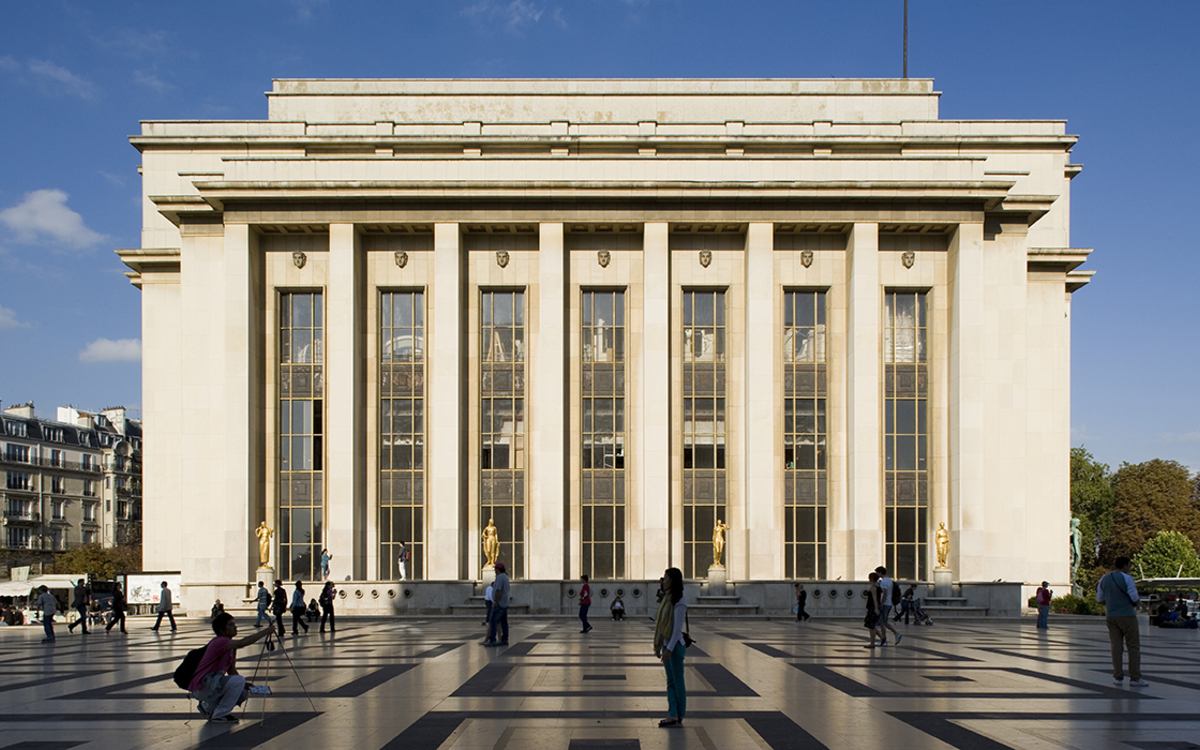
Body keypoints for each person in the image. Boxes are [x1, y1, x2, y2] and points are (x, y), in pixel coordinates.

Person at [189, 612, 274, 723]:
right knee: (239, 681)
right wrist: (265, 632)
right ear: (221, 630)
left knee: (242, 690)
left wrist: (244, 684)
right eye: (230, 625)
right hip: (203, 686)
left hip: (212, 684)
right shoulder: (219, 641)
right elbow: (242, 642)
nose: (235, 627)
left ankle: (208, 707)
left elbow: (231, 669)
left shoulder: (230, 646)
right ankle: (219, 714)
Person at [1097, 556, 1147, 687]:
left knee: (1116, 647)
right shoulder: (1127, 578)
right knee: (1133, 647)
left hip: (1111, 616)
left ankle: (1118, 676)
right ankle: (1135, 677)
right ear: (1125, 566)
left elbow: (1100, 599)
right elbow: (1134, 596)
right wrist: (1136, 603)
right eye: (1129, 565)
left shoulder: (1104, 579)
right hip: (1127, 616)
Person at [654, 567, 687, 727]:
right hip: (667, 646)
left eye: (665, 578)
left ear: (672, 580)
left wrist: (669, 649)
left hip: (674, 648)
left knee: (678, 681)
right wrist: (662, 646)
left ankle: (679, 714)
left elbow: (677, 629)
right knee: (670, 682)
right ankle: (672, 713)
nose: (663, 580)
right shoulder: (666, 599)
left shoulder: (679, 601)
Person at [482, 561, 510, 646]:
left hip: (500, 603)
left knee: (493, 620)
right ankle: (504, 639)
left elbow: (498, 590)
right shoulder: (505, 576)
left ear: (497, 569)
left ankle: (492, 640)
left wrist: (496, 601)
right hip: (505, 602)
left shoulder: (500, 577)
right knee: (504, 621)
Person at [874, 566, 902, 646]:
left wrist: (881, 603)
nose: (877, 574)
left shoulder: (884, 582)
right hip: (889, 603)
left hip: (885, 603)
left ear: (880, 573)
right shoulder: (889, 581)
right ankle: (896, 634)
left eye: (877, 572)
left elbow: (884, 593)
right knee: (884, 621)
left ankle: (884, 640)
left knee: (882, 623)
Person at [864, 572, 882, 648]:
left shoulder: (873, 588)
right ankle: (882, 637)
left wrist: (876, 608)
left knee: (871, 625)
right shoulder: (877, 587)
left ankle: (872, 643)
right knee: (870, 625)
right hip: (872, 607)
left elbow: (875, 599)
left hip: (872, 608)